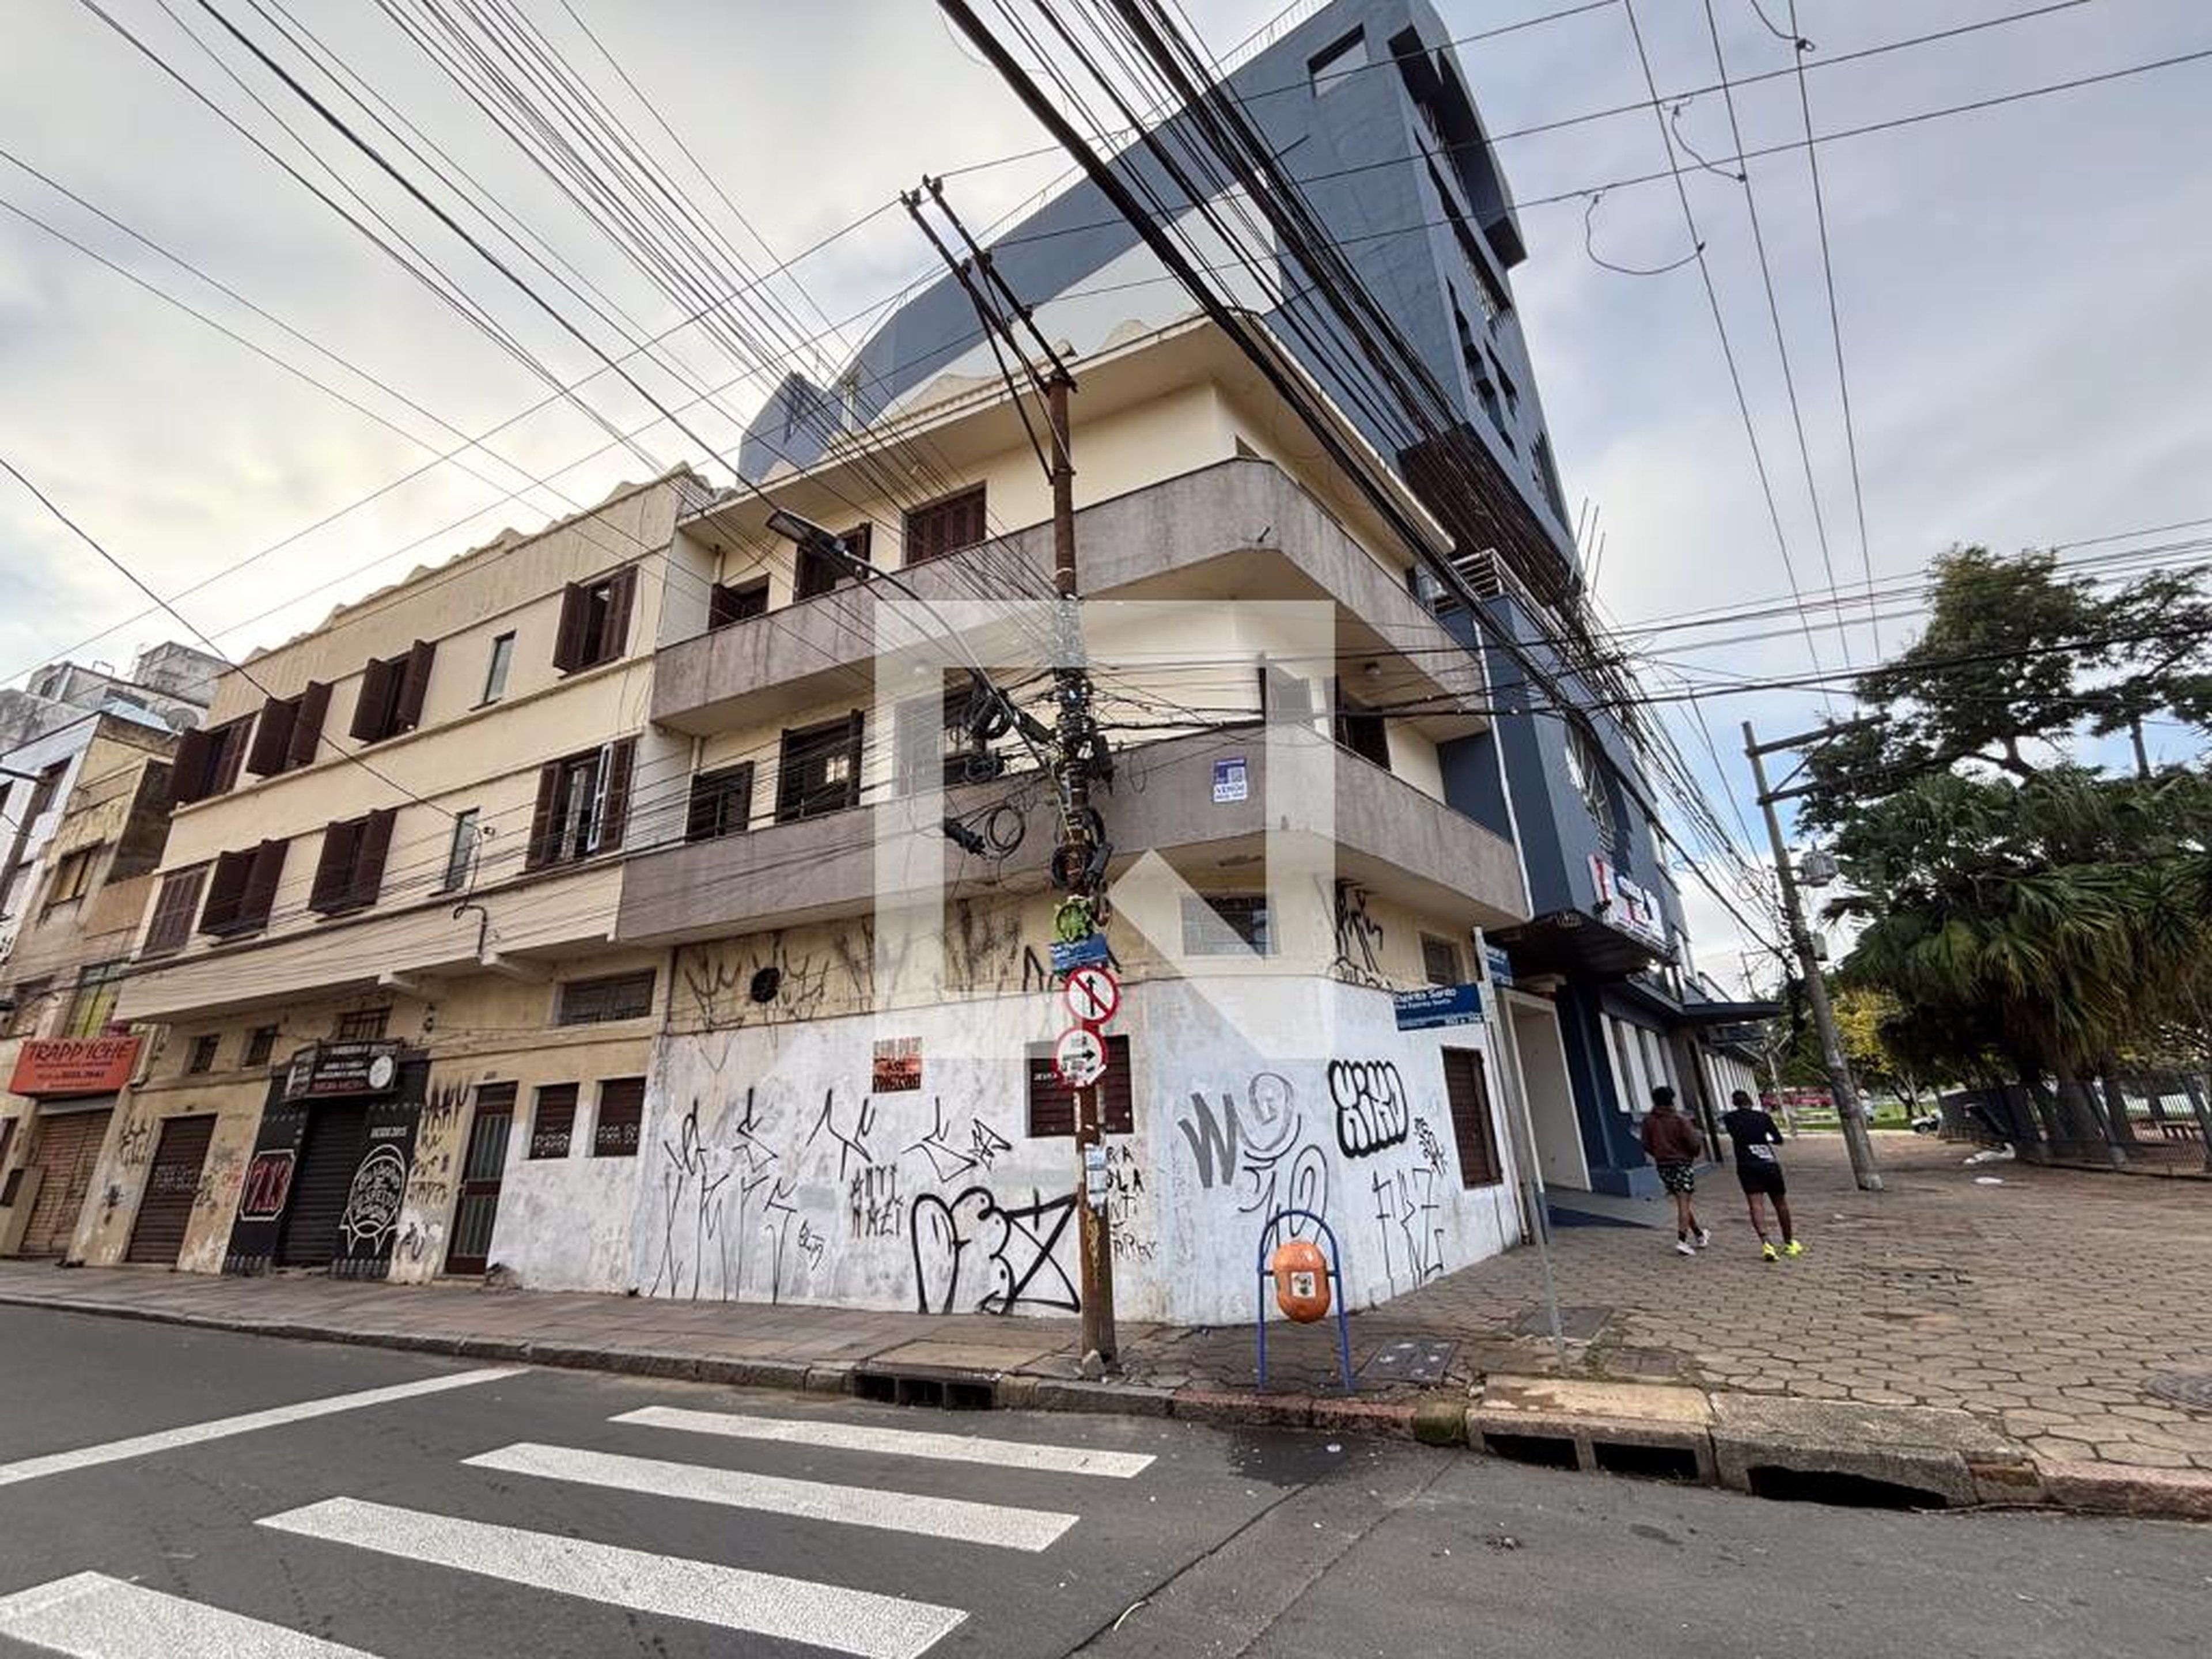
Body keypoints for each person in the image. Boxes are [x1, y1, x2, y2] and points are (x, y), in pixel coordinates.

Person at [1723, 1088, 1803, 1261]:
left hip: (1746, 1164)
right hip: (1768, 1163)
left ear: (1734, 1103)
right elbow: (1778, 1140)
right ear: (1751, 1101)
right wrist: (1766, 1140)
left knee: (1756, 1204)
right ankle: (1789, 1242)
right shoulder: (1763, 1117)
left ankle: (1767, 1243)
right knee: (1780, 1203)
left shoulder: (1729, 1118)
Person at [1639, 1085, 1709, 1256]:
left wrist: (1659, 1154)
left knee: (1681, 1201)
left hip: (1663, 1166)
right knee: (1683, 1202)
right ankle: (1682, 1241)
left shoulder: (1649, 1121)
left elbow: (1646, 1144)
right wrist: (1691, 1154)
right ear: (1672, 1099)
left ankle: (1699, 1235)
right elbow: (1694, 1143)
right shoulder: (1679, 1120)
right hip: (1682, 1164)